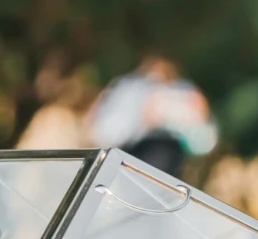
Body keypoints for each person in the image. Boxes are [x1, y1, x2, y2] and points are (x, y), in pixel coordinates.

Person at [85, 57, 217, 176]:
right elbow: (104, 132)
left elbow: (204, 140)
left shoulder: (185, 90)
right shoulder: (131, 87)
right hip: (135, 152)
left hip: (164, 155)